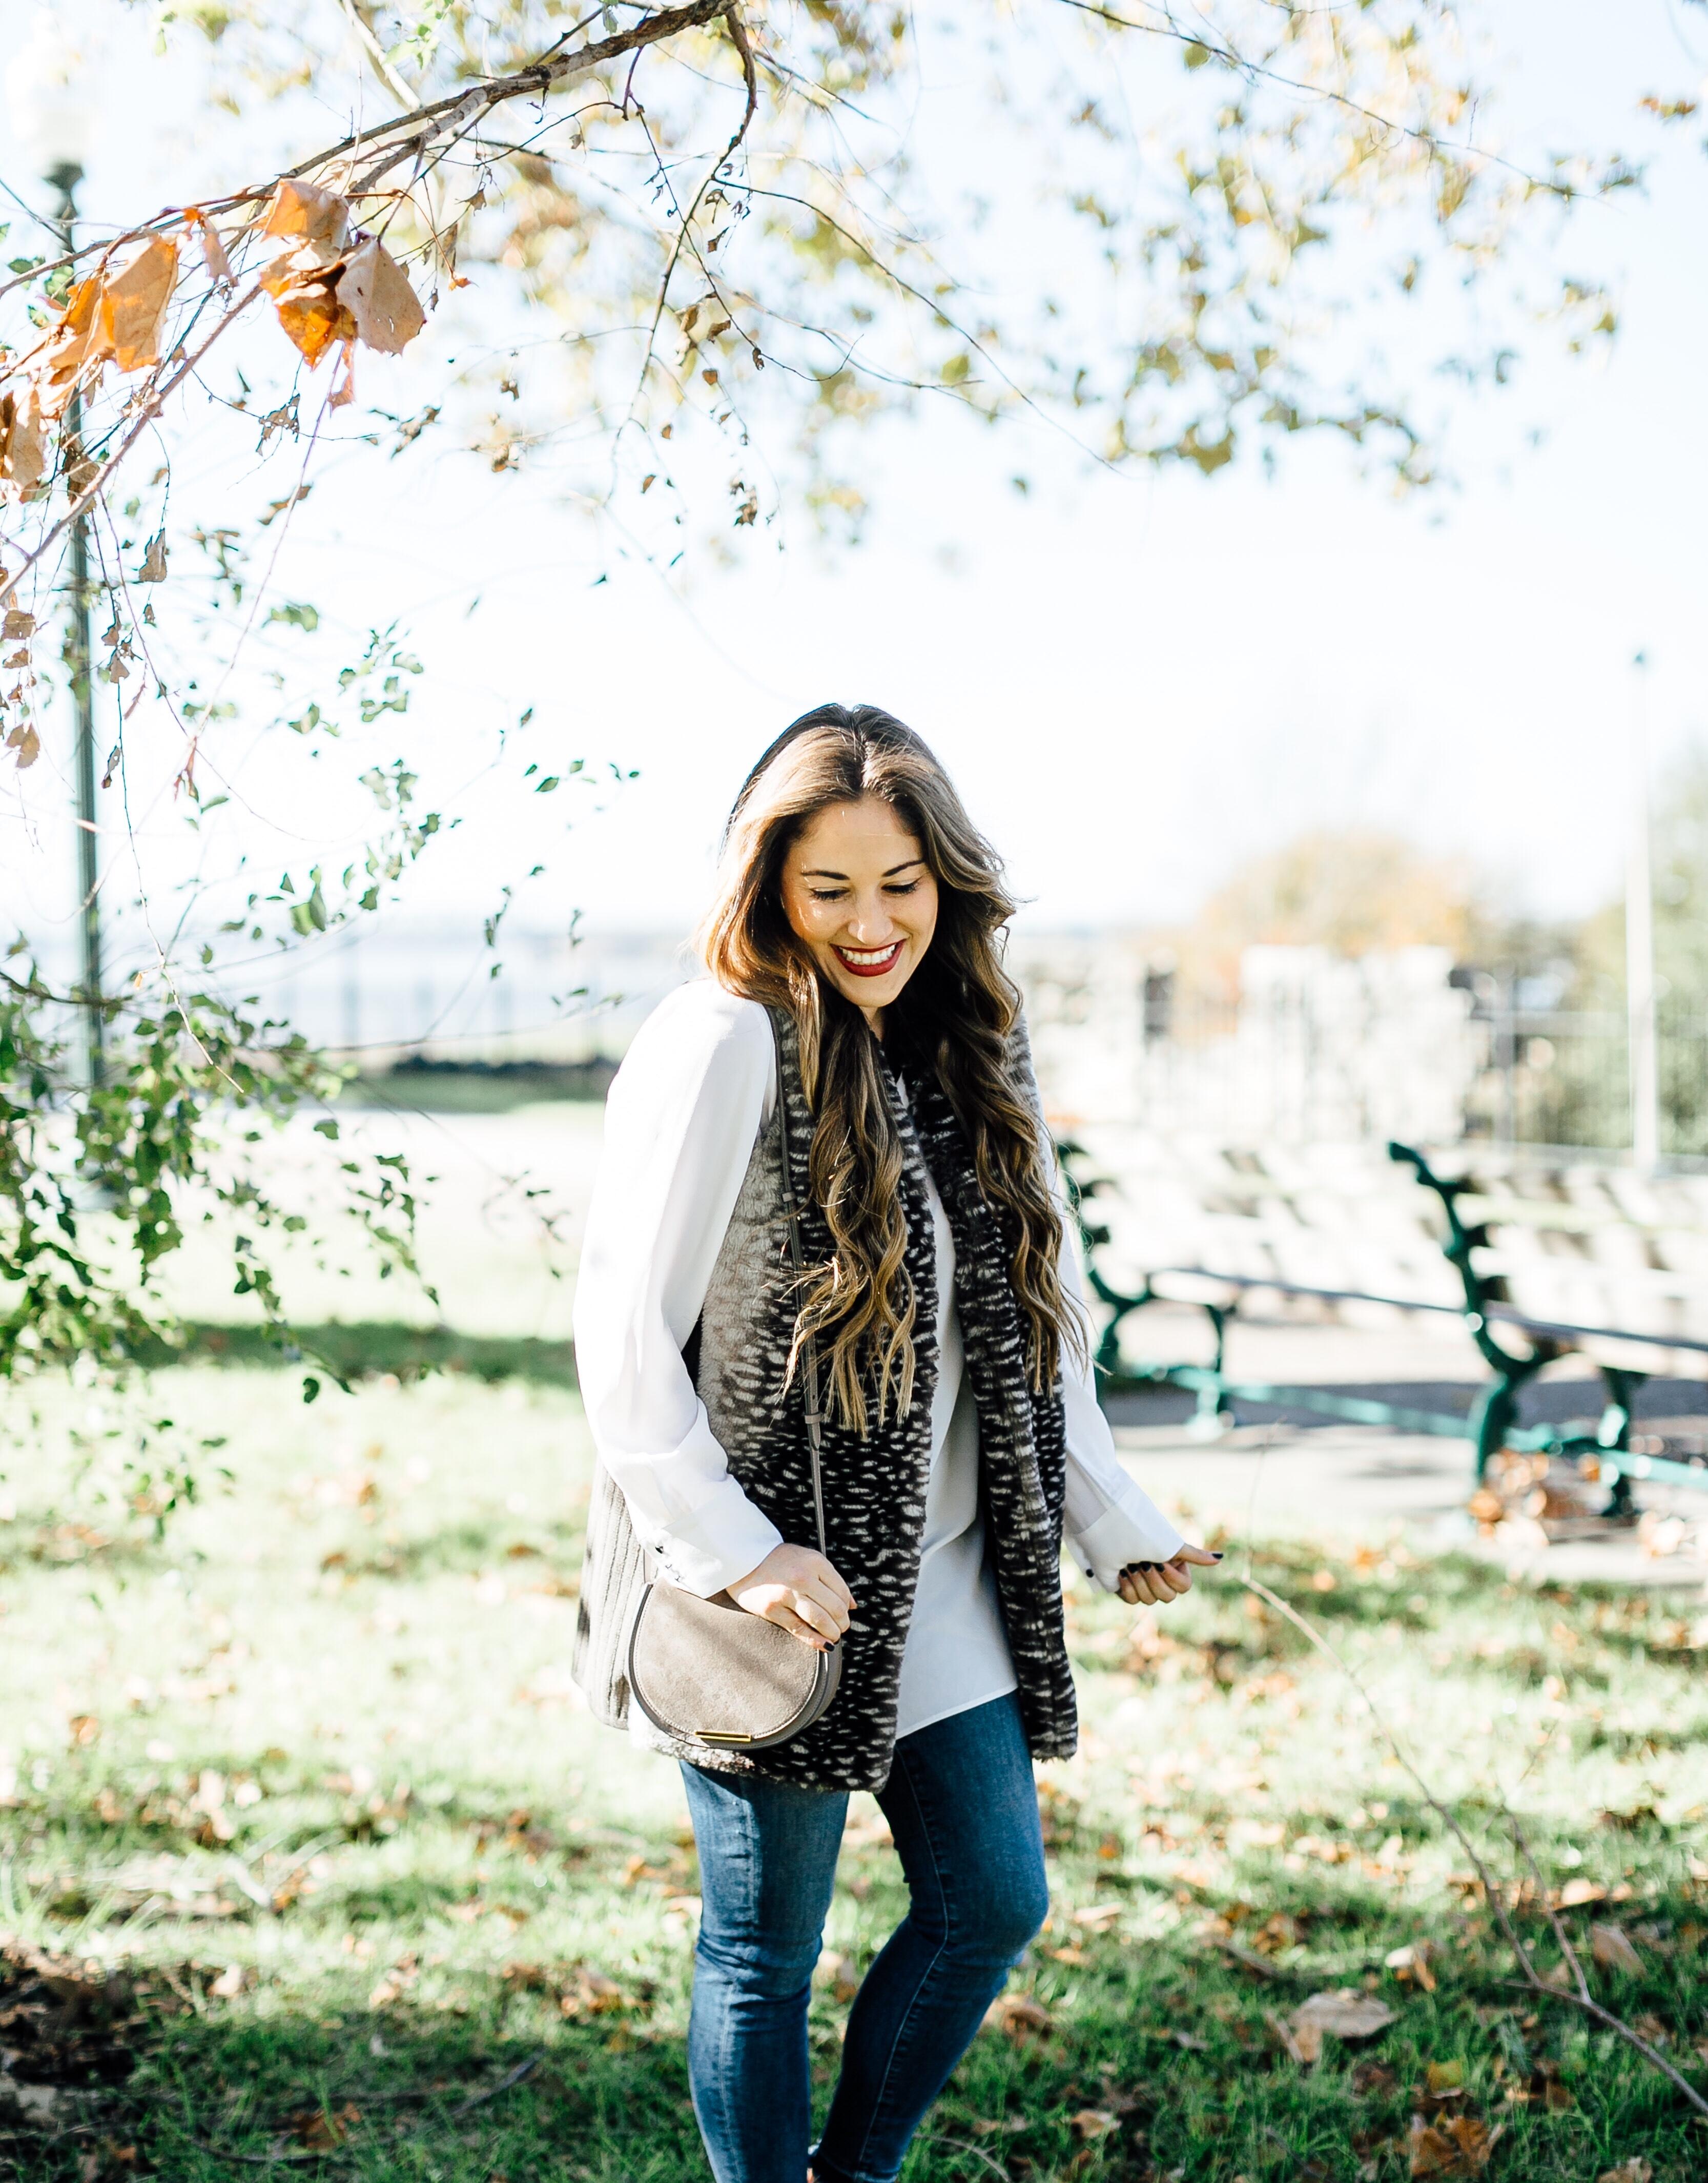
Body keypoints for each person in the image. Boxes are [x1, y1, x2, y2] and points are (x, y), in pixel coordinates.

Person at [572, 704, 1220, 2183]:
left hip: (947, 1577)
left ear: (949, 880)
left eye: (902, 884)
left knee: (991, 1898)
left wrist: (1116, 1517)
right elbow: (621, 1340)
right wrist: (740, 1558)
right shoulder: (722, 1040)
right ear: (768, 888)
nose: (871, 924)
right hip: (775, 1586)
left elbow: (1045, 1317)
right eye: (830, 890)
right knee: (765, 1950)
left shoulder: (974, 1046)